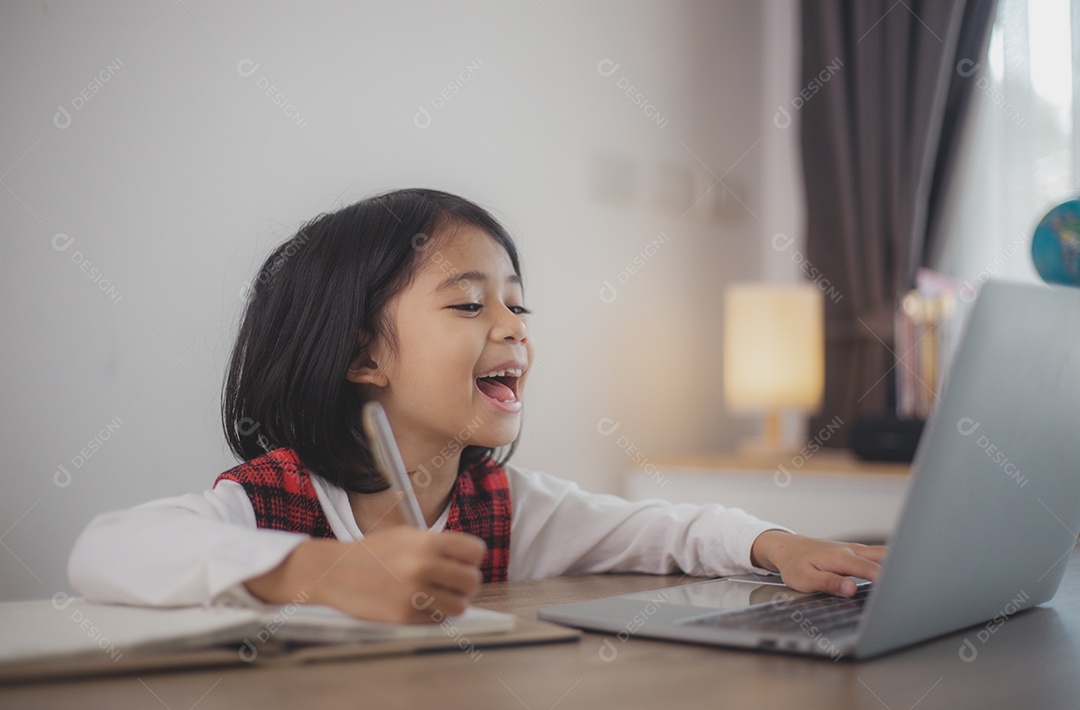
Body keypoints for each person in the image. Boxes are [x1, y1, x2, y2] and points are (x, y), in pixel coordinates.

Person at [68, 189, 884, 623]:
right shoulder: (273, 502)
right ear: (362, 355)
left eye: (519, 307)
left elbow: (663, 531)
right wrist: (316, 570)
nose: (513, 330)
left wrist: (775, 545)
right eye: (469, 306)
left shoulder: (505, 508)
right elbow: (105, 553)